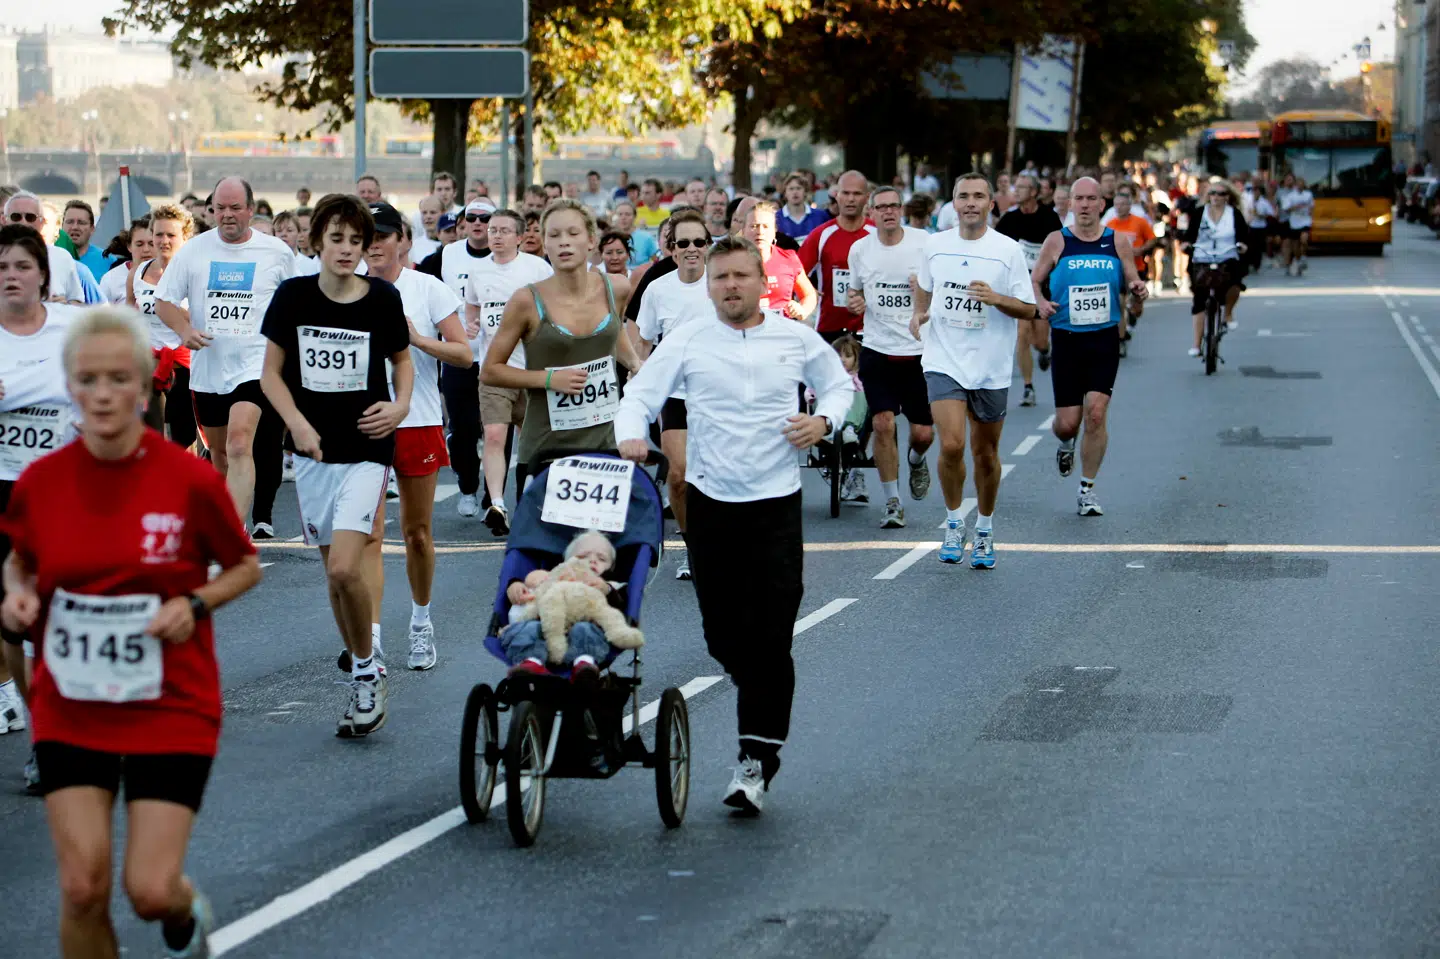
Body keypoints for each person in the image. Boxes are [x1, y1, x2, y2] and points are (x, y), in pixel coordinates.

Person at [1, 304, 261, 959]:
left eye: (120, 378)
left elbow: (243, 566)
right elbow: (18, 559)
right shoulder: (41, 482)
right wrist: (17, 596)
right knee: (82, 884)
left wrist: (194, 604)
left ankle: (183, 907)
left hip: (169, 699)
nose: (104, 393)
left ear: (144, 389)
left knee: (147, 889)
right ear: (71, 387)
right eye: (89, 379)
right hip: (73, 703)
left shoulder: (189, 479)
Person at [616, 235, 852, 815]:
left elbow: (841, 384)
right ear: (710, 284)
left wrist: (824, 421)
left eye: (740, 276)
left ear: (759, 281)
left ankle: (755, 760)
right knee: (723, 638)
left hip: (776, 508)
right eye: (720, 278)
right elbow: (640, 393)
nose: (730, 286)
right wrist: (628, 433)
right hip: (713, 506)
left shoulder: (793, 338)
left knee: (772, 638)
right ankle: (761, 691)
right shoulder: (689, 340)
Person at [260, 194, 413, 737]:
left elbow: (402, 362)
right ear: (316, 241)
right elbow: (270, 375)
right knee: (333, 575)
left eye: (357, 241)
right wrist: (295, 424)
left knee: (348, 566)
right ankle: (360, 671)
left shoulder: (382, 299)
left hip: (368, 450)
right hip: (313, 455)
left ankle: (368, 670)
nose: (347, 250)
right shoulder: (294, 296)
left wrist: (398, 408)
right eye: (337, 239)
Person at [363, 202, 471, 670]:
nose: (374, 243)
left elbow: (465, 355)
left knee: (417, 534)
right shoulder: (349, 289)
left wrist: (416, 340)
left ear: (404, 241)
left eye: (383, 234)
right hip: (364, 423)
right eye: (366, 234)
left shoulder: (427, 289)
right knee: (367, 535)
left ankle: (421, 621)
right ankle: (372, 639)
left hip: (418, 419)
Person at [153, 177, 295, 530]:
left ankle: (234, 531)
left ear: (251, 209)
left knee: (238, 443)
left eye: (235, 208)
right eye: (221, 208)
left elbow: (291, 306)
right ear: (211, 209)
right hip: (209, 368)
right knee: (219, 454)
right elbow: (163, 302)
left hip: (255, 365)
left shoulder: (276, 252)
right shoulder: (193, 251)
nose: (228, 215)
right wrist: (185, 331)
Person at [911, 174, 1037, 568]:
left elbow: (1029, 309)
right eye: (963, 196)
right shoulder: (935, 245)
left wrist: (996, 298)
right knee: (951, 444)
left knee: (985, 454)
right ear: (953, 203)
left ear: (990, 204)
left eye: (978, 196)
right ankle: (952, 523)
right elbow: (923, 285)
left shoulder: (1007, 250)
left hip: (990, 366)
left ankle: (984, 528)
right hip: (944, 358)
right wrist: (919, 312)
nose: (970, 203)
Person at [0, 225, 83, 789]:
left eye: (22, 266)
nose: (11, 276)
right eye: (2, 266)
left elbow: (118, 383)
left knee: (55, 617)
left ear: (43, 275)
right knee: (12, 621)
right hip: (3, 488)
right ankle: (42, 732)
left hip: (62, 490)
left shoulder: (71, 329)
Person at [480, 199, 642, 474]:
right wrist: (549, 379)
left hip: (606, 443)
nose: (564, 242)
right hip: (546, 448)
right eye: (554, 236)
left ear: (591, 241)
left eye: (573, 233)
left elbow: (612, 333)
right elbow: (490, 371)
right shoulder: (526, 300)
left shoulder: (617, 287)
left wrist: (636, 364)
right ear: (545, 244)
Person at [1029, 177, 1148, 518]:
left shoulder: (1117, 241)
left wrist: (1138, 288)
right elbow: (1036, 279)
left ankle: (1087, 490)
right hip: (1065, 339)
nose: (1083, 205)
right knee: (1068, 423)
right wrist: (1041, 302)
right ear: (1071, 205)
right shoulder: (1057, 241)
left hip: (1103, 337)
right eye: (1078, 199)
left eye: (1090, 199)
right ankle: (1065, 443)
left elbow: (1131, 278)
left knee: (1095, 414)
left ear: (1101, 204)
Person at [845, 186, 934, 528]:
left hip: (919, 351)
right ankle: (893, 500)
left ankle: (915, 459)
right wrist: (855, 302)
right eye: (881, 207)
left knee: (923, 433)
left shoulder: (924, 243)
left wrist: (922, 291)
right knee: (882, 423)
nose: (888, 212)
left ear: (902, 209)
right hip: (878, 348)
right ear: (872, 212)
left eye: (894, 206)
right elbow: (854, 291)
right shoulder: (861, 249)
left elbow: (943, 286)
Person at [463, 208, 554, 535]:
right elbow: (472, 306)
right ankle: (497, 504)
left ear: (519, 237)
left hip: (532, 372)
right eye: (492, 230)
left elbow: (554, 306)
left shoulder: (536, 268)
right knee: (494, 435)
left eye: (503, 230)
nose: (496, 235)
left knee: (531, 445)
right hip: (495, 372)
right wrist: (473, 323)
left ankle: (532, 504)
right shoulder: (478, 270)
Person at [634, 211, 711, 579]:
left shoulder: (723, 283)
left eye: (699, 242)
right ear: (671, 248)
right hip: (676, 394)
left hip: (720, 395)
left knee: (717, 476)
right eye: (684, 243)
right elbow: (642, 347)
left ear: (709, 246)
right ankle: (694, 547)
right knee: (678, 476)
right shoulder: (658, 289)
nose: (692, 249)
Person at [433, 197, 494, 518]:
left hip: (497, 358)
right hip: (458, 356)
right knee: (464, 429)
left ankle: (491, 499)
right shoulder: (448, 254)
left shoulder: (507, 256)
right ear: (463, 222)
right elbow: (418, 277)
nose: (478, 223)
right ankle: (468, 487)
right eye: (472, 217)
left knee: (496, 430)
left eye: (485, 218)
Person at [500, 530, 626, 681]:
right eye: (583, 556)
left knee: (585, 630)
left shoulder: (609, 586)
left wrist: (608, 590)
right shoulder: (552, 577)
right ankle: (530, 663)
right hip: (544, 633)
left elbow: (620, 609)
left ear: (611, 567)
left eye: (601, 558)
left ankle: (584, 664)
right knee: (529, 628)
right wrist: (515, 586)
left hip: (582, 636)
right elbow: (531, 594)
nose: (592, 561)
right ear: (566, 562)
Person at [128, 204, 200, 451]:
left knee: (183, 439)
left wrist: (169, 306)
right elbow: (130, 311)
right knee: (151, 436)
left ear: (185, 237)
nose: (164, 241)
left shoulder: (195, 272)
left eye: (171, 235)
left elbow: (204, 319)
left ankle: (185, 485)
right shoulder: (139, 272)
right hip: (150, 362)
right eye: (159, 234)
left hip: (185, 364)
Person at [996, 174, 1062, 406]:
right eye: (1017, 187)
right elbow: (997, 251)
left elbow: (1059, 251)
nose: (1017, 191)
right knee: (1022, 334)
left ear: (1034, 192)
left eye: (1023, 187)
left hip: (1043, 287)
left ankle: (1044, 350)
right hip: (1018, 288)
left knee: (1040, 340)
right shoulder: (1009, 220)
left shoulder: (1049, 217)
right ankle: (1028, 386)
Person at [798, 170, 875, 341]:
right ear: (836, 195)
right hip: (829, 327)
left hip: (870, 329)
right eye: (845, 193)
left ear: (867, 197)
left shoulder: (877, 234)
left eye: (857, 194)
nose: (850, 199)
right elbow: (795, 274)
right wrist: (808, 292)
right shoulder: (821, 235)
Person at [1181, 177, 1251, 354]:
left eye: (1220, 194)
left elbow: (1243, 235)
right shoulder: (1199, 213)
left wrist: (1242, 245)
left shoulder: (1234, 214)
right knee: (1199, 299)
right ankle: (1197, 345)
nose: (1216, 197)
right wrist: (1186, 244)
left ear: (1227, 196)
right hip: (1202, 257)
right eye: (1212, 193)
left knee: (1235, 284)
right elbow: (1189, 235)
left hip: (1227, 256)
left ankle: (1227, 313)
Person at [1100, 184, 1158, 358]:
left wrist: (1141, 250)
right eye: (1116, 205)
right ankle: (1121, 339)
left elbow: (1152, 240)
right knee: (1119, 303)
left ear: (1129, 206)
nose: (1119, 208)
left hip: (1137, 267)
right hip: (1117, 269)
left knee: (1136, 305)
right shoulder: (1110, 224)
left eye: (1123, 205)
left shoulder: (1139, 222)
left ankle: (1134, 315)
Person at [4, 192, 86, 303]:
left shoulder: (62, 257)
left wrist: (65, 305)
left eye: (30, 217)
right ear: (4, 220)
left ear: (42, 222)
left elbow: (78, 302)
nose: (23, 222)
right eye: (16, 217)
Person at [746, 201, 817, 321]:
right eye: (754, 226)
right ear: (743, 230)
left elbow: (809, 295)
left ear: (774, 231)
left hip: (782, 334)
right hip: (745, 333)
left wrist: (802, 309)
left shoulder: (789, 259)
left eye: (766, 226)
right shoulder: (732, 261)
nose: (760, 232)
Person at [98, 219, 152, 305]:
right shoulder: (110, 279)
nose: (146, 249)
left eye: (151, 244)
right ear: (129, 246)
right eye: (139, 244)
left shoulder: (170, 275)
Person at [61, 200, 114, 278]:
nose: (75, 227)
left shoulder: (108, 261)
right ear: (62, 226)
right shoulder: (49, 259)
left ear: (92, 229)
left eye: (81, 222)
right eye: (70, 222)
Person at [777, 173, 830, 243]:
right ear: (785, 193)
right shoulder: (776, 218)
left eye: (799, 188)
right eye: (791, 189)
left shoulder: (821, 216)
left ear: (805, 191)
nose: (795, 192)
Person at [610, 202, 660, 267]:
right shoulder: (610, 239)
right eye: (620, 214)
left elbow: (655, 261)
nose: (623, 218)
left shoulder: (646, 237)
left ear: (634, 216)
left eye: (627, 214)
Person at [1281, 175, 1313, 276]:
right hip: (1294, 223)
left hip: (1305, 221)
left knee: (1304, 239)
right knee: (1295, 247)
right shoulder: (1291, 196)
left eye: (1301, 183)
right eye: (1298, 184)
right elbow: (1285, 208)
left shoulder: (1308, 194)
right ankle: (1299, 261)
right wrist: (1294, 207)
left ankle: (1304, 257)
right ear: (1296, 185)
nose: (1300, 185)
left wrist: (1308, 213)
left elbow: (1311, 207)